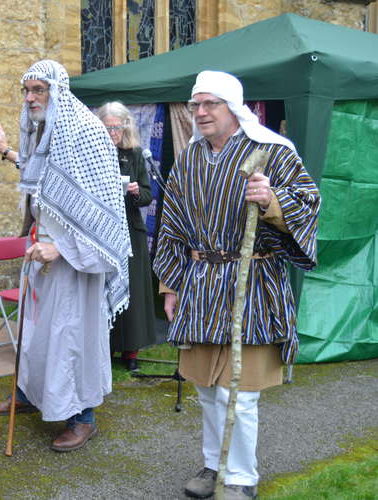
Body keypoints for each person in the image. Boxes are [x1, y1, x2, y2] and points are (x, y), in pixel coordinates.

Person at [153, 71, 319, 500]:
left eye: (211, 104)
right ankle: (214, 464)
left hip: (253, 285)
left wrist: (271, 201)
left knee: (240, 396)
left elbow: (309, 201)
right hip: (202, 286)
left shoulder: (271, 152)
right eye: (195, 105)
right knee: (208, 390)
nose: (201, 113)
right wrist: (170, 284)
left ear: (234, 107)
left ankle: (241, 479)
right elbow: (171, 223)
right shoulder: (189, 159)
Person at [0, 60, 131, 452]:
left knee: (71, 338)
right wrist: (8, 152)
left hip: (75, 261)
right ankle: (30, 394)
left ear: (57, 91)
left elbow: (106, 214)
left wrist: (62, 249)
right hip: (41, 251)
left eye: (38, 90)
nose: (30, 98)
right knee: (35, 334)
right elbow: (43, 178)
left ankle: (82, 418)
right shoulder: (44, 130)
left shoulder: (86, 133)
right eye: (26, 90)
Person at [96, 102, 156, 371]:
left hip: (130, 229)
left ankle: (130, 352)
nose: (112, 133)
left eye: (116, 128)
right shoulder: (93, 153)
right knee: (105, 288)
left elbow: (147, 196)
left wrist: (133, 191)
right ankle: (104, 348)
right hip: (102, 230)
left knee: (131, 288)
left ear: (125, 127)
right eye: (107, 128)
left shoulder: (135, 155)